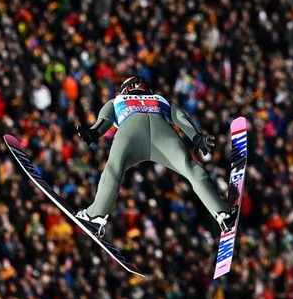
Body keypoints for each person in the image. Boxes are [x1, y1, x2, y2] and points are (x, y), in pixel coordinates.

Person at [74, 76, 234, 237]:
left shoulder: (117, 100)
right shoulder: (160, 99)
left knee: (114, 169)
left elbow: (105, 119)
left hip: (131, 131)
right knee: (191, 168)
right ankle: (223, 213)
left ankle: (96, 216)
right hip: (162, 134)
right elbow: (181, 118)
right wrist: (197, 136)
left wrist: (94, 132)